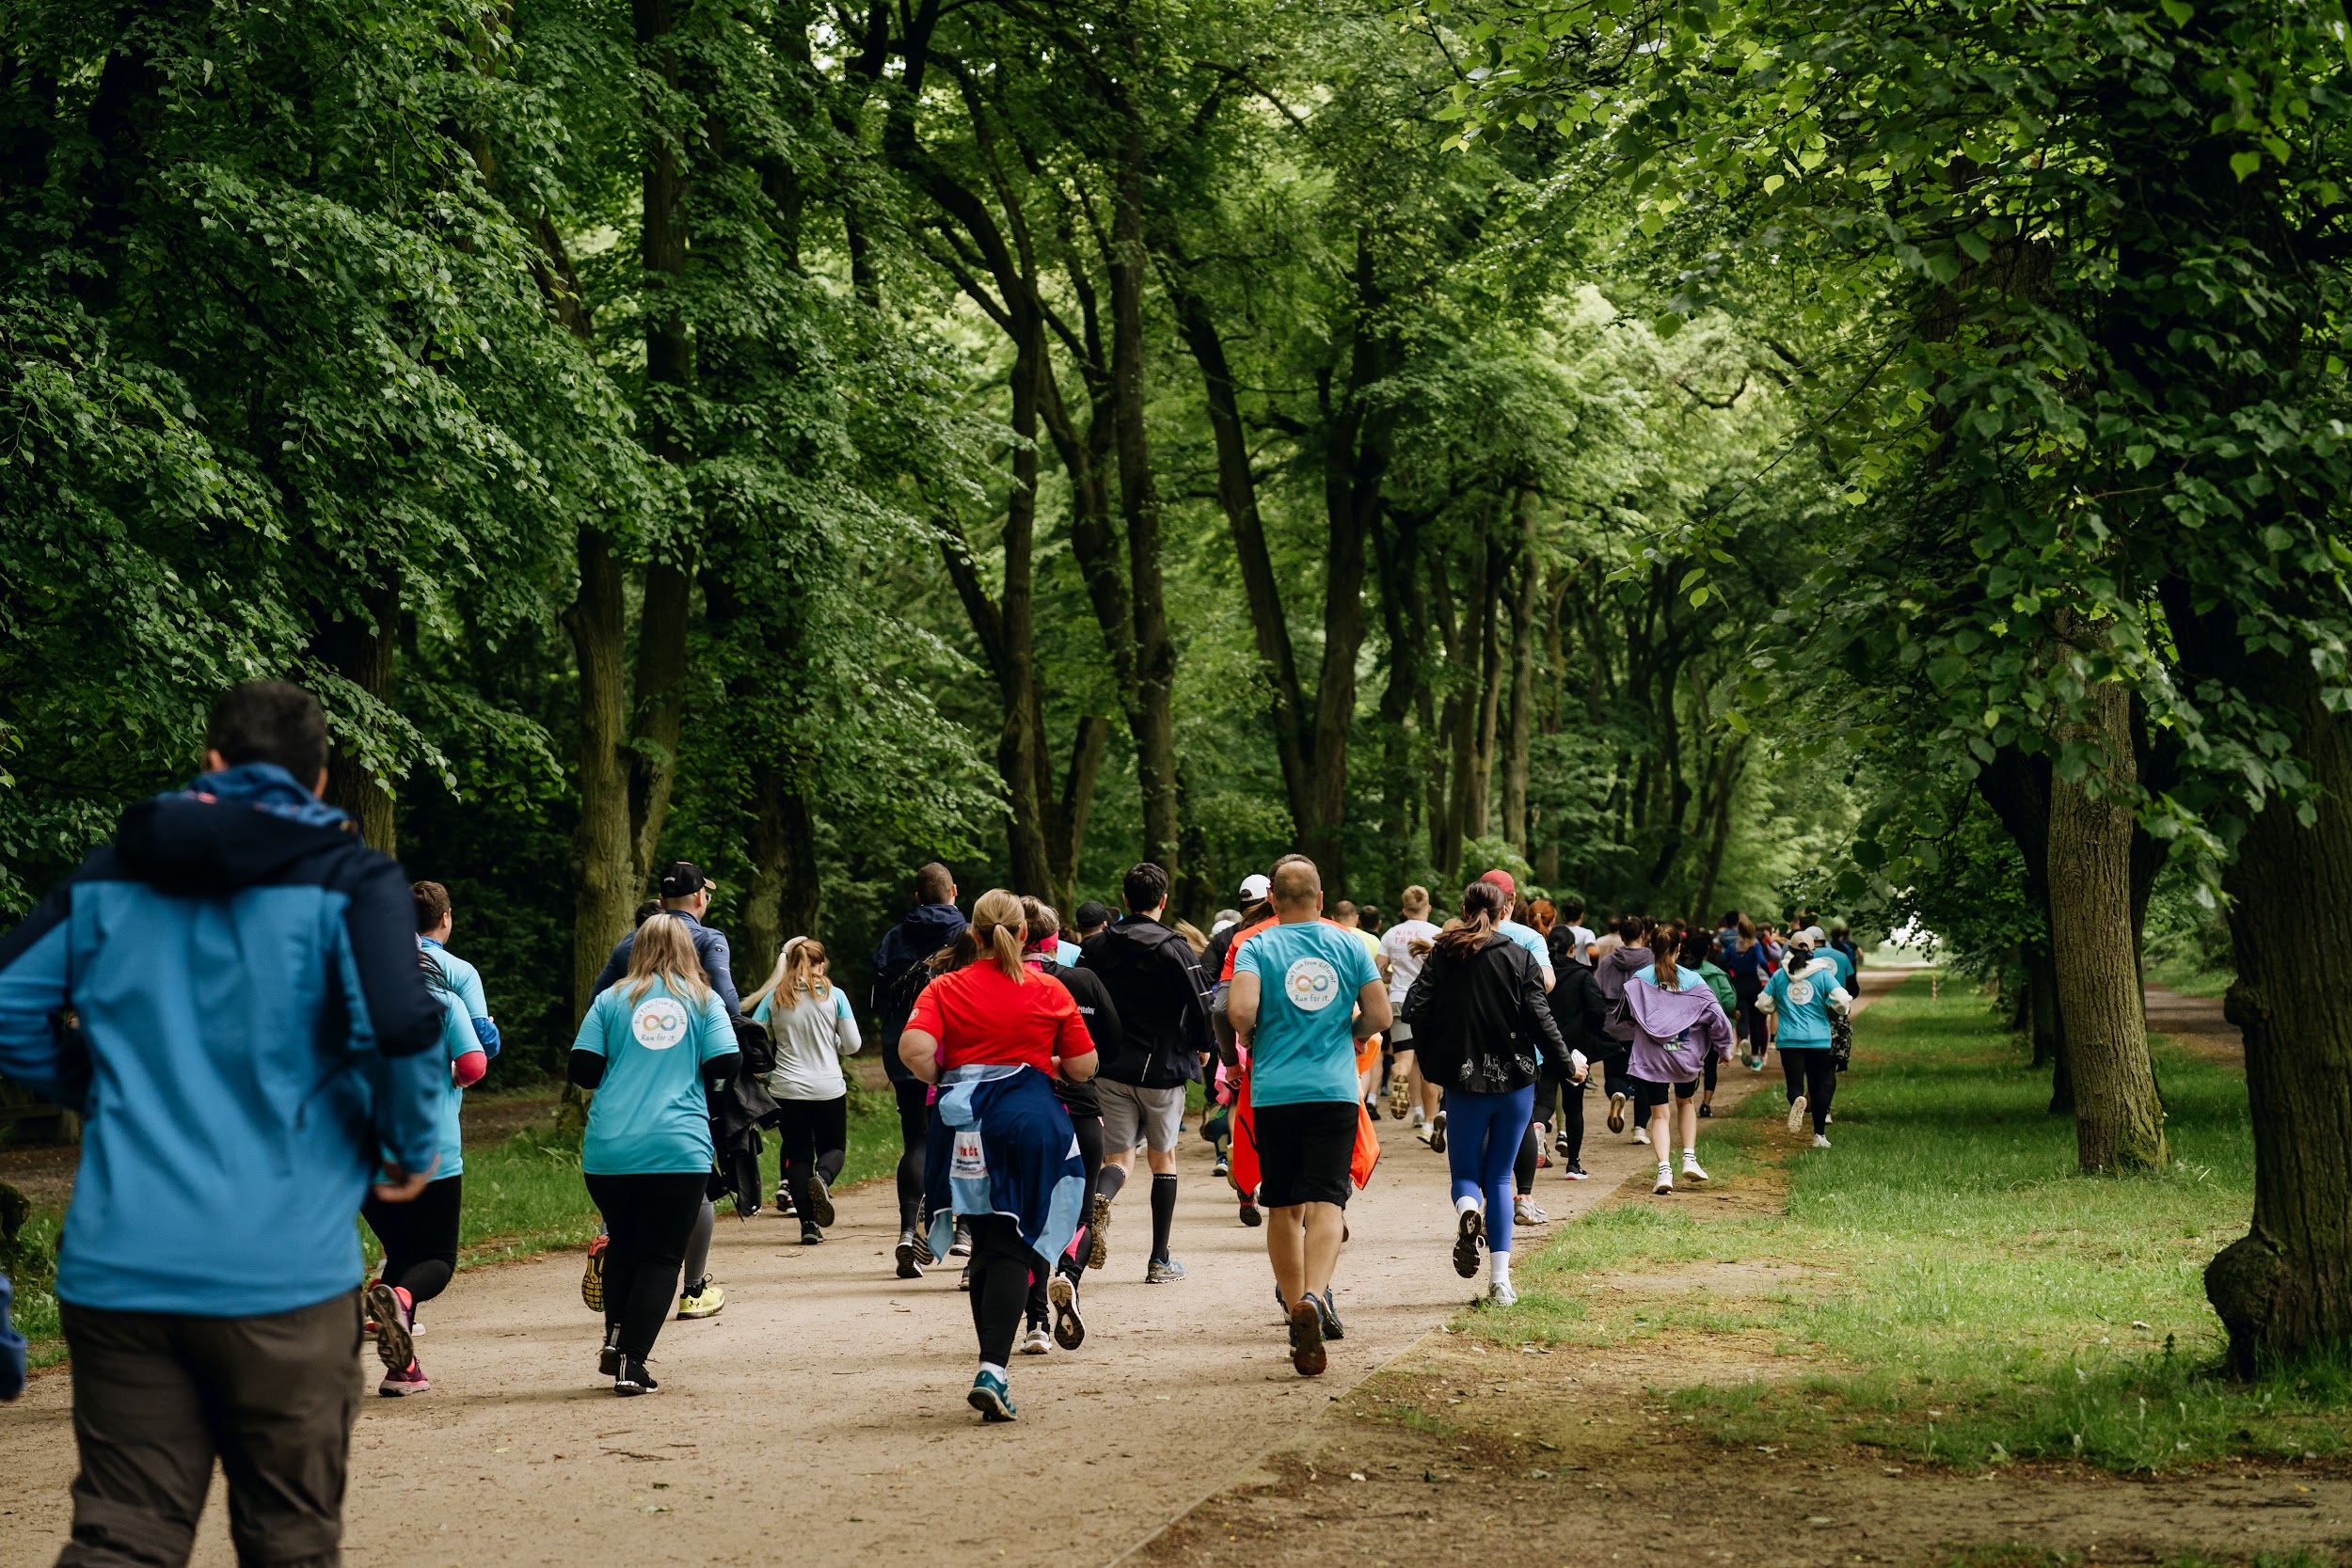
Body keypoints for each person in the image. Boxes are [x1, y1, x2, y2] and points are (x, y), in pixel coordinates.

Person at [0, 679, 444, 1561]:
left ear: (211, 763)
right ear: (319, 781)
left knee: (123, 1532)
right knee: (290, 1536)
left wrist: (96, 1086)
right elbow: (402, 1026)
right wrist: (407, 1142)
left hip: (124, 1269)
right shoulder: (353, 881)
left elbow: (10, 1001)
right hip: (285, 1272)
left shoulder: (113, 874)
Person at [898, 890, 1097, 1421]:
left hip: (963, 1125)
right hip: (1029, 1123)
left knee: (985, 1240)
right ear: (1025, 934)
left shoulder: (944, 987)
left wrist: (948, 1076)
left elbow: (914, 1050)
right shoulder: (1049, 988)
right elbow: (1084, 1065)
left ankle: (992, 1363)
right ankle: (993, 1370)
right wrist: (1050, 1063)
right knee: (1012, 1246)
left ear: (973, 934)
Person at [1227, 859, 1391, 1377]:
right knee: (1327, 1201)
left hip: (1275, 1093)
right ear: (1320, 900)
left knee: (1282, 1206)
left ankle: (1293, 1305)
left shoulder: (1255, 946)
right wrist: (1352, 1032)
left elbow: (1239, 1012)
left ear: (1273, 900)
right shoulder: (1349, 944)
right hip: (1333, 1091)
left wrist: (1253, 1035)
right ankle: (1315, 1298)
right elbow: (1381, 1015)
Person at [570, 914, 739, 1394]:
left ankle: (615, 1336)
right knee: (663, 1256)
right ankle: (632, 1363)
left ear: (636, 950)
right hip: (677, 1147)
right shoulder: (704, 1000)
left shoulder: (609, 1000)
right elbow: (727, 1062)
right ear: (688, 950)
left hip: (610, 1149)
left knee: (623, 1243)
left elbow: (583, 1069)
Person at [1400, 879, 1572, 1307]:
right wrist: (1566, 1065)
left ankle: (1467, 1212)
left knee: (1465, 1175)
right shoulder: (1520, 956)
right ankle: (1500, 1283)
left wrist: (1437, 1060)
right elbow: (1541, 1018)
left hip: (1465, 1081)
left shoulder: (1444, 953)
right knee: (1499, 1177)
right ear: (1503, 912)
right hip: (1517, 1082)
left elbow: (1415, 1010)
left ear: (1464, 909)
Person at [589, 860, 736, 1321]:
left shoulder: (627, 945)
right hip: (686, 1089)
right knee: (696, 1186)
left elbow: (596, 1008)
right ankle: (693, 1288)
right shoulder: (709, 940)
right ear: (701, 898)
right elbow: (728, 1006)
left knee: (630, 1210)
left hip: (623, 1098)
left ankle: (614, 1242)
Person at [361, 942, 488, 1396]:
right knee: (437, 1259)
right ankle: (400, 1297)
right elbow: (474, 1064)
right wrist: (453, 1077)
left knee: (400, 1253)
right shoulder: (444, 1003)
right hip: (431, 1151)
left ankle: (403, 1370)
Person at [1080, 863, 1215, 1284]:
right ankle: (1159, 1260)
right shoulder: (1176, 949)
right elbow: (1203, 1005)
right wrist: (1204, 1046)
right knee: (1163, 1158)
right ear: (1163, 900)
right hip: (1163, 1069)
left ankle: (1099, 1201)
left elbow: (1077, 997)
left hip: (1110, 1068)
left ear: (1124, 900)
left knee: (1119, 1159)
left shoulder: (1096, 947)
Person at [1022, 899, 1119, 1352]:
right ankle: (1068, 1274)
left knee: (1030, 1215)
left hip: (1024, 1112)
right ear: (1055, 939)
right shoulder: (1083, 980)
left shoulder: (999, 984)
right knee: (1081, 1212)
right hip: (1080, 1107)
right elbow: (1111, 1044)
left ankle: (1037, 1324)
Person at [871, 863, 968, 1278]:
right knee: (967, 1140)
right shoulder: (968, 935)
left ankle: (908, 1232)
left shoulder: (894, 937)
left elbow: (878, 998)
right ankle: (965, 1231)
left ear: (916, 896)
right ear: (954, 891)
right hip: (953, 1049)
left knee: (918, 1140)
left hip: (905, 1048)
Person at [747, 937, 860, 1245]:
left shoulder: (774, 997)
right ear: (821, 964)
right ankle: (822, 1179)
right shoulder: (835, 995)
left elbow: (752, 1038)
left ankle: (808, 1225)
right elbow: (852, 1044)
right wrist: (834, 1043)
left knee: (798, 1158)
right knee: (833, 1149)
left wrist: (766, 1072)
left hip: (786, 1088)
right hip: (827, 1088)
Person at [1625, 936, 1738, 1195]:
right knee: (1685, 1103)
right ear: (1678, 948)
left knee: (1659, 1115)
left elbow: (1628, 1014)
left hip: (1652, 1058)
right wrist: (1723, 1048)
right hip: (1685, 1055)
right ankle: (1689, 1158)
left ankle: (1664, 1171)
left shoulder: (1638, 980)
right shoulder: (1694, 980)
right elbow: (1717, 1015)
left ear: (1651, 948)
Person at [1758, 929, 1852, 1147]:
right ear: (1812, 951)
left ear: (1789, 950)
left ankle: (1797, 1101)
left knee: (1794, 1085)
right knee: (1818, 1086)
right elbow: (1842, 999)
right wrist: (1836, 1008)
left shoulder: (1780, 975)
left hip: (1789, 1039)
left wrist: (1775, 1006)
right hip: (1819, 1039)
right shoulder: (1822, 974)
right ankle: (1819, 1136)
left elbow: (1763, 1003)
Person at [1540, 922, 1609, 1180]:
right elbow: (1597, 1011)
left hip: (1542, 1046)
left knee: (1544, 1100)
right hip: (1574, 1050)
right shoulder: (1582, 976)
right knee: (1573, 1106)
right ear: (1572, 948)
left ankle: (1537, 1132)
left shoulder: (1537, 974)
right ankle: (1573, 1165)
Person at [1375, 886, 1441, 1128]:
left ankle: (1401, 1080)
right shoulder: (1436, 933)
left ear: (1404, 910)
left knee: (1405, 1059)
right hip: (1428, 1004)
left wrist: (1394, 978)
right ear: (1428, 907)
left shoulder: (1391, 934)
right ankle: (1429, 1121)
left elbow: (1379, 971)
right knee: (1427, 1064)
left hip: (1398, 1000)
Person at [1593, 913, 1655, 1137]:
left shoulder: (1608, 961)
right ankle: (1640, 1129)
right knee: (1644, 1080)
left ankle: (1618, 1094)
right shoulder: (1652, 960)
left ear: (1621, 935)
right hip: (1642, 1028)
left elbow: (1596, 992)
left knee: (1614, 1075)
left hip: (1613, 1027)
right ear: (1642, 934)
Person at [1684, 930, 1739, 1119]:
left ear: (1688, 950)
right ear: (1708, 949)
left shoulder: (1682, 974)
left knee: (1689, 1063)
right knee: (1710, 1067)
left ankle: (1687, 1100)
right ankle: (1706, 1104)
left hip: (1688, 1028)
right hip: (1712, 1028)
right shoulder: (1717, 974)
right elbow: (1729, 1002)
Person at [1724, 914, 1772, 1070]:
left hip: (1738, 984)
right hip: (1753, 984)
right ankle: (1756, 1058)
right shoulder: (1755, 945)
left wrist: (1731, 971)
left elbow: (1723, 960)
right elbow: (1762, 961)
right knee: (1756, 1021)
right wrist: (1771, 975)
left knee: (1742, 1018)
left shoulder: (1733, 947)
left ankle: (1743, 1039)